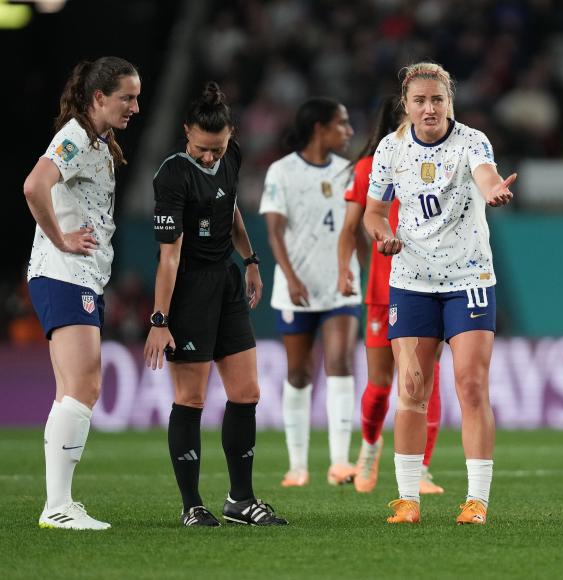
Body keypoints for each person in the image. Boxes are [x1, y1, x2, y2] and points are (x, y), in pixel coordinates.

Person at [362, 62, 515, 525]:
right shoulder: (391, 149)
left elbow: (486, 174)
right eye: (420, 101)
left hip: (468, 279)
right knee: (411, 386)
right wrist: (382, 234)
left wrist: (493, 193)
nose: (429, 108)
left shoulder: (471, 141)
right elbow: (373, 212)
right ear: (405, 106)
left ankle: (477, 501)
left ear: (450, 103)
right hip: (411, 280)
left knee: (470, 386)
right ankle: (408, 499)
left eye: (438, 100)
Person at [144, 82, 287, 527]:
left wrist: (250, 259)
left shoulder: (233, 157)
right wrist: (159, 320)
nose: (211, 157)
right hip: (188, 291)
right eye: (203, 149)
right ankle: (192, 506)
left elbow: (232, 211)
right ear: (186, 132)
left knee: (247, 393)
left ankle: (240, 500)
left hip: (226, 281)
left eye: (218, 148)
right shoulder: (171, 175)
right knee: (190, 398)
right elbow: (169, 255)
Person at [24, 57, 141, 530]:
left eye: (136, 97)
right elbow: (35, 185)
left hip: (78, 276)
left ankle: (60, 503)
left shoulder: (96, 140)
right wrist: (60, 238)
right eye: (126, 97)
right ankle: (57, 507)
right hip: (64, 272)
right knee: (84, 386)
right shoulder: (74, 135)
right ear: (98, 98)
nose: (135, 106)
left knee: (74, 389)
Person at [337, 95, 445, 495]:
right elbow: (352, 227)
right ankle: (369, 448)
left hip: (429, 286)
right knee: (381, 384)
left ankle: (422, 470)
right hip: (384, 290)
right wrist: (344, 270)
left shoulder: (442, 164)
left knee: (422, 380)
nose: (426, 116)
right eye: (416, 109)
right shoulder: (370, 168)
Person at [259, 97, 361, 488]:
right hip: (296, 289)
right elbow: (273, 230)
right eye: (342, 123)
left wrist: (358, 272)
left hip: (340, 285)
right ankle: (297, 466)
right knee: (299, 374)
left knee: (341, 363)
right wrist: (291, 276)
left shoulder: (348, 172)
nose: (349, 131)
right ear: (319, 128)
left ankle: (339, 463)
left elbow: (356, 229)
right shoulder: (282, 171)